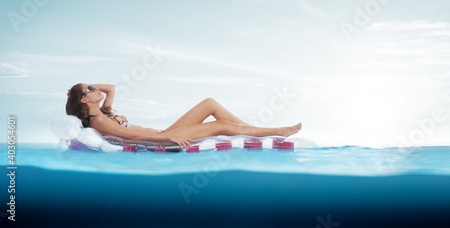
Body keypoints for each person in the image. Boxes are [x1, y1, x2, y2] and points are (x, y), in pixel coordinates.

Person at [66, 83, 302, 150]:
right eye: (90, 90)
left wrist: (83, 90)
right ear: (84, 101)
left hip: (163, 131)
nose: (98, 90)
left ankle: (252, 131)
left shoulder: (104, 112)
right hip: (163, 137)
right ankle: (278, 131)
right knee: (221, 125)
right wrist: (166, 140)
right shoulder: (98, 120)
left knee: (210, 103)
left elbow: (112, 88)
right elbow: (132, 135)